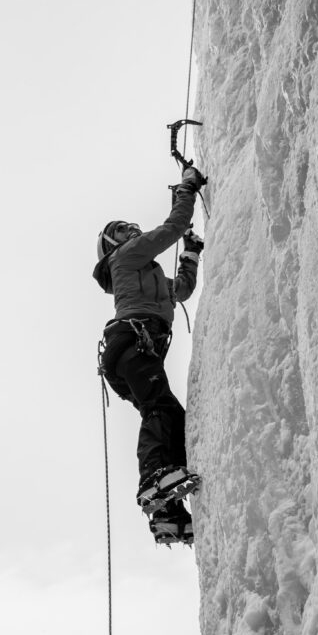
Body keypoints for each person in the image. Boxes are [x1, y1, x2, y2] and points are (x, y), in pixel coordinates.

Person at [93, 165, 206, 545]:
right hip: (133, 343)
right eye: (121, 229)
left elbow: (183, 290)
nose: (131, 228)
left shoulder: (147, 276)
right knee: (160, 408)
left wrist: (190, 254)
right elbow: (171, 227)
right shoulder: (125, 257)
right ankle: (155, 481)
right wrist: (186, 188)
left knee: (169, 414)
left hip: (131, 351)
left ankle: (168, 513)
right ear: (114, 244)